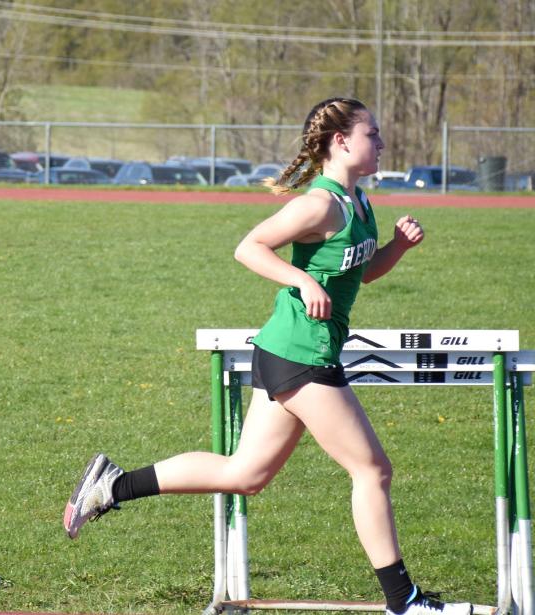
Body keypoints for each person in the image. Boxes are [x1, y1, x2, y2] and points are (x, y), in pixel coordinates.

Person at [63, 97, 472, 615]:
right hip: (301, 352)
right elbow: (249, 247)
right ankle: (404, 600)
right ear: (341, 142)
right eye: (373, 133)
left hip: (294, 351)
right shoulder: (318, 204)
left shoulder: (359, 203)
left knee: (246, 474)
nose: (382, 141)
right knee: (372, 471)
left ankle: (112, 486)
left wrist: (396, 248)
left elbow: (359, 274)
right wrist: (300, 279)